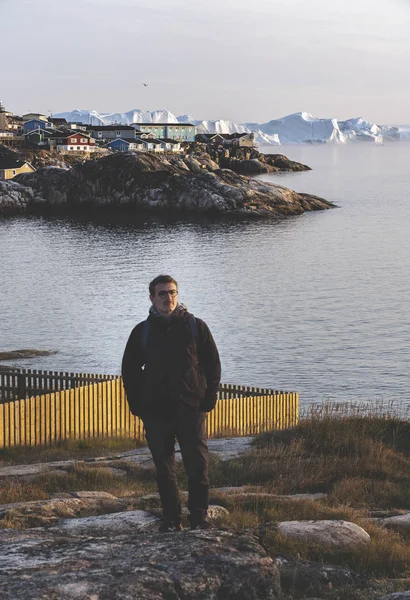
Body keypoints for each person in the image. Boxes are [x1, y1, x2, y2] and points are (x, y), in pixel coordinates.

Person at [122, 275, 221, 532]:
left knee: (198, 467)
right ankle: (172, 520)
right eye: (163, 293)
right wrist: (137, 405)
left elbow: (213, 365)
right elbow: (130, 371)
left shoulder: (196, 327)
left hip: (191, 411)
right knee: (164, 471)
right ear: (152, 298)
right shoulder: (141, 332)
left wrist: (208, 401)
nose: (169, 298)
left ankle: (199, 519)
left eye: (173, 292)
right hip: (156, 413)